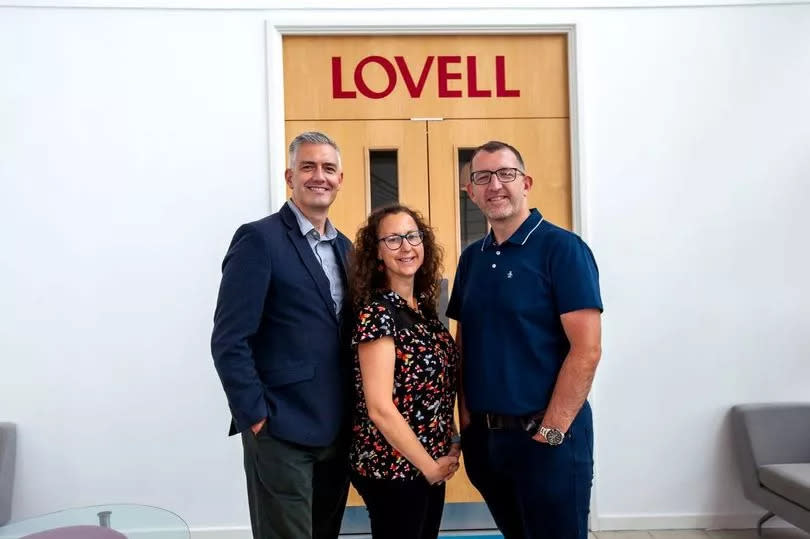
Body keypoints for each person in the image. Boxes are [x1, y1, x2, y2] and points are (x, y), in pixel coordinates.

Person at [447, 141, 603, 539]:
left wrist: (551, 433)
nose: (495, 185)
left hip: (548, 438)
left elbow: (586, 349)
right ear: (471, 191)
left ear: (526, 183)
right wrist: (467, 424)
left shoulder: (562, 249)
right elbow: (463, 347)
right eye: (482, 177)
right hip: (488, 443)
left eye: (505, 174)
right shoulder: (472, 259)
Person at [211, 131, 352, 539]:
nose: (318, 176)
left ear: (340, 179)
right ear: (290, 177)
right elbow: (229, 340)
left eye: (328, 168)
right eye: (307, 167)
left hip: (337, 430)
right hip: (281, 431)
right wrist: (256, 418)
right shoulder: (259, 239)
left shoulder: (346, 248)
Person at [347, 204, 460, 539]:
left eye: (412, 236)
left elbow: (438, 386)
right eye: (393, 239)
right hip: (392, 469)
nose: (406, 247)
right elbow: (380, 408)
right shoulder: (377, 314)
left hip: (428, 464)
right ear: (377, 254)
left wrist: (450, 441)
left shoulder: (424, 311)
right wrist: (429, 467)